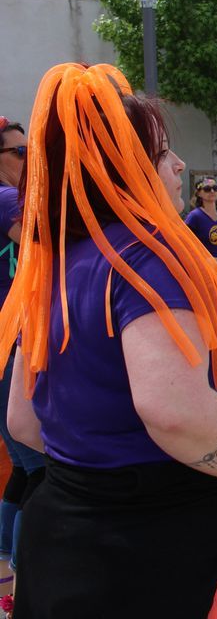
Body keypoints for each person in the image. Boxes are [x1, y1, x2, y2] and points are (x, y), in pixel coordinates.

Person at [0, 63, 217, 617]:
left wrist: (103, 469)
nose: (181, 165)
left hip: (64, 551)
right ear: (122, 169)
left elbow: (24, 422)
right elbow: (173, 412)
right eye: (163, 154)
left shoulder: (52, 266)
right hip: (171, 565)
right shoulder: (148, 257)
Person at [0, 117, 46, 585]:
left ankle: (6, 567)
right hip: (9, 346)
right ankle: (20, 572)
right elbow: (43, 246)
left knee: (24, 466)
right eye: (18, 153)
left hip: (10, 344)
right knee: (39, 469)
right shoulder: (6, 199)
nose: (27, 158)